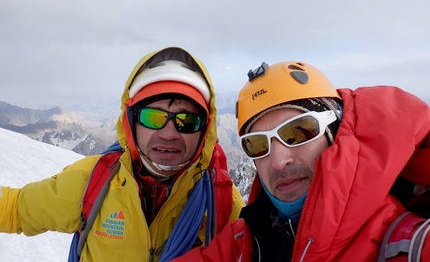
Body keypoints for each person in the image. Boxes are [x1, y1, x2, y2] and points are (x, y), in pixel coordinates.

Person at [0, 46, 245, 262]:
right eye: (153, 117)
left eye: (187, 121)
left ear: (204, 131)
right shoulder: (92, 182)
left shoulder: (222, 204)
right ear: (131, 122)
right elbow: (15, 209)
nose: (169, 133)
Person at [171, 60, 430, 261]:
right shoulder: (245, 244)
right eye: (258, 144)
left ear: (335, 133)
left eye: (299, 131)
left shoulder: (407, 245)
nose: (278, 161)